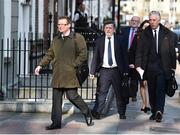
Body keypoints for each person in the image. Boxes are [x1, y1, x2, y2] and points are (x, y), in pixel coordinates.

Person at [34, 16, 93, 130]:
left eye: (62, 24)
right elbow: (50, 54)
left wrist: (74, 65)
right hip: (58, 73)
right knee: (56, 100)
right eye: (58, 25)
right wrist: (40, 65)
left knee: (72, 96)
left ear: (68, 25)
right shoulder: (56, 39)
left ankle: (87, 112)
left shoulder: (77, 38)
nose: (59, 26)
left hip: (71, 74)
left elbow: (83, 54)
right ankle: (56, 123)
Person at [135, 11, 177, 122]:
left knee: (160, 89)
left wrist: (173, 67)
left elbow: (171, 51)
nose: (152, 22)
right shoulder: (144, 34)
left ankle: (159, 111)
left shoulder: (167, 33)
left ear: (159, 20)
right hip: (149, 67)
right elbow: (139, 51)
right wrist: (138, 66)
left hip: (163, 67)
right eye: (150, 20)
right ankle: (154, 111)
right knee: (152, 91)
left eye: (154, 20)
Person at [90, 20, 129, 120]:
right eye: (106, 28)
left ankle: (122, 113)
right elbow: (96, 57)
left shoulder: (120, 40)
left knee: (119, 93)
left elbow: (125, 56)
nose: (108, 30)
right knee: (102, 92)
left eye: (110, 28)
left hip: (117, 70)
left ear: (114, 29)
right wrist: (92, 71)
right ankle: (98, 112)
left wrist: (126, 71)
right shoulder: (99, 41)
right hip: (104, 71)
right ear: (104, 29)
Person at [120, 16, 141, 102]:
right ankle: (124, 93)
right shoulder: (124, 30)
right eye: (132, 20)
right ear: (130, 21)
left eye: (136, 21)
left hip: (135, 57)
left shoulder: (141, 32)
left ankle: (133, 94)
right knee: (124, 76)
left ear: (139, 23)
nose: (134, 22)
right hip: (125, 56)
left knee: (134, 77)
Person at [134, 20, 151, 113]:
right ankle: (144, 104)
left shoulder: (152, 37)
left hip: (149, 64)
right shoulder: (138, 37)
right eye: (145, 26)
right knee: (142, 84)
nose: (146, 28)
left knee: (146, 84)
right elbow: (134, 51)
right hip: (140, 65)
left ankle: (147, 104)